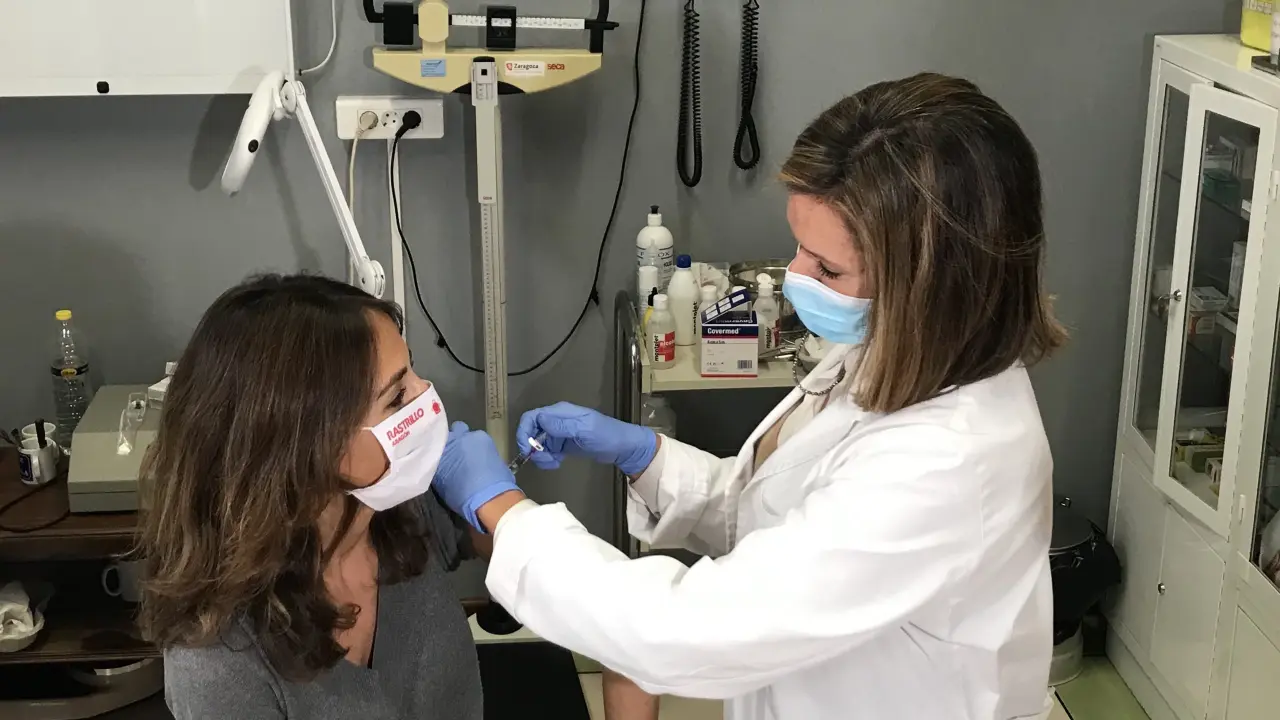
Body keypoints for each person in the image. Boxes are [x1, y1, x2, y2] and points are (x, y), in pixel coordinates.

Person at [431, 72, 1066, 720]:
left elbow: (685, 633)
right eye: (801, 248)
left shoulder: (948, 461)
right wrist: (647, 457)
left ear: (930, 286)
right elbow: (779, 511)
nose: (794, 277)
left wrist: (505, 515)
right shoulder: (892, 347)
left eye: (828, 268)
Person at [136, 274, 485, 719]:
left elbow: (504, 543)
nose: (427, 398)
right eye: (397, 397)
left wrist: (500, 500)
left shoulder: (398, 507)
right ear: (309, 446)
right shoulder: (218, 658)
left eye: (412, 371)